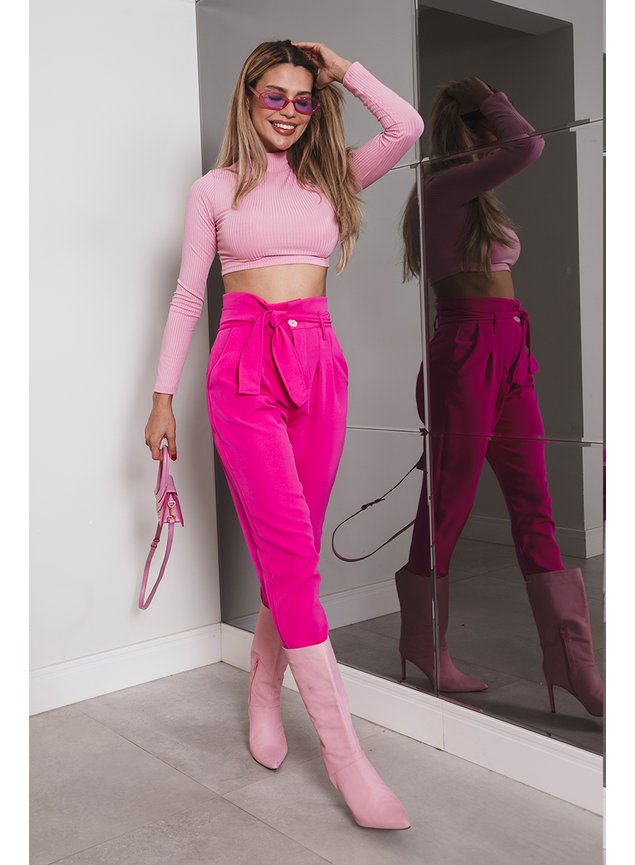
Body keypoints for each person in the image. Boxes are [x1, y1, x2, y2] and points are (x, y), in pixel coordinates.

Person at [144, 39, 424, 829]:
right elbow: (186, 298)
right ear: (248, 96)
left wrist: (342, 70)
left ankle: (264, 688)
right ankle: (346, 758)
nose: (290, 112)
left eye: (303, 99)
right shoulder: (213, 189)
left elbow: (405, 127)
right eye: (275, 96)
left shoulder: (332, 177)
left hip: (317, 368)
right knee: (293, 556)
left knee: (290, 553)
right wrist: (161, 398)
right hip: (241, 370)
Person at [396, 77, 603, 717]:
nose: (498, 135)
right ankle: (424, 644)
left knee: (535, 504)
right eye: (487, 125)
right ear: (467, 130)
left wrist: (488, 106)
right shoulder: (441, 188)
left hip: (511, 348)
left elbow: (519, 145)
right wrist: (490, 98)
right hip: (467, 352)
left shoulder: (475, 198)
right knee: (448, 507)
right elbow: (529, 144)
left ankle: (572, 665)